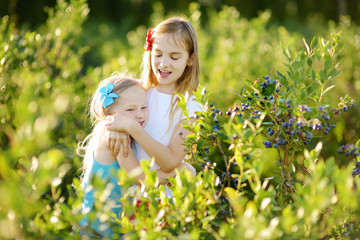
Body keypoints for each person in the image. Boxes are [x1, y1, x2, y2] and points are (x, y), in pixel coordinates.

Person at [77, 75, 191, 238]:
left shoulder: (123, 133)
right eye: (130, 110)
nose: (139, 115)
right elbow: (140, 178)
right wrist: (182, 172)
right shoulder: (115, 137)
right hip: (93, 234)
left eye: (143, 107)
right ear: (110, 113)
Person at [105, 17, 202, 189]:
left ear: (190, 59)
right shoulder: (139, 92)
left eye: (174, 57)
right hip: (133, 197)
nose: (164, 64)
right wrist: (113, 129)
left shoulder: (191, 107)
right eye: (158, 54)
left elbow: (170, 162)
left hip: (169, 201)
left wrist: (130, 127)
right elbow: (107, 107)